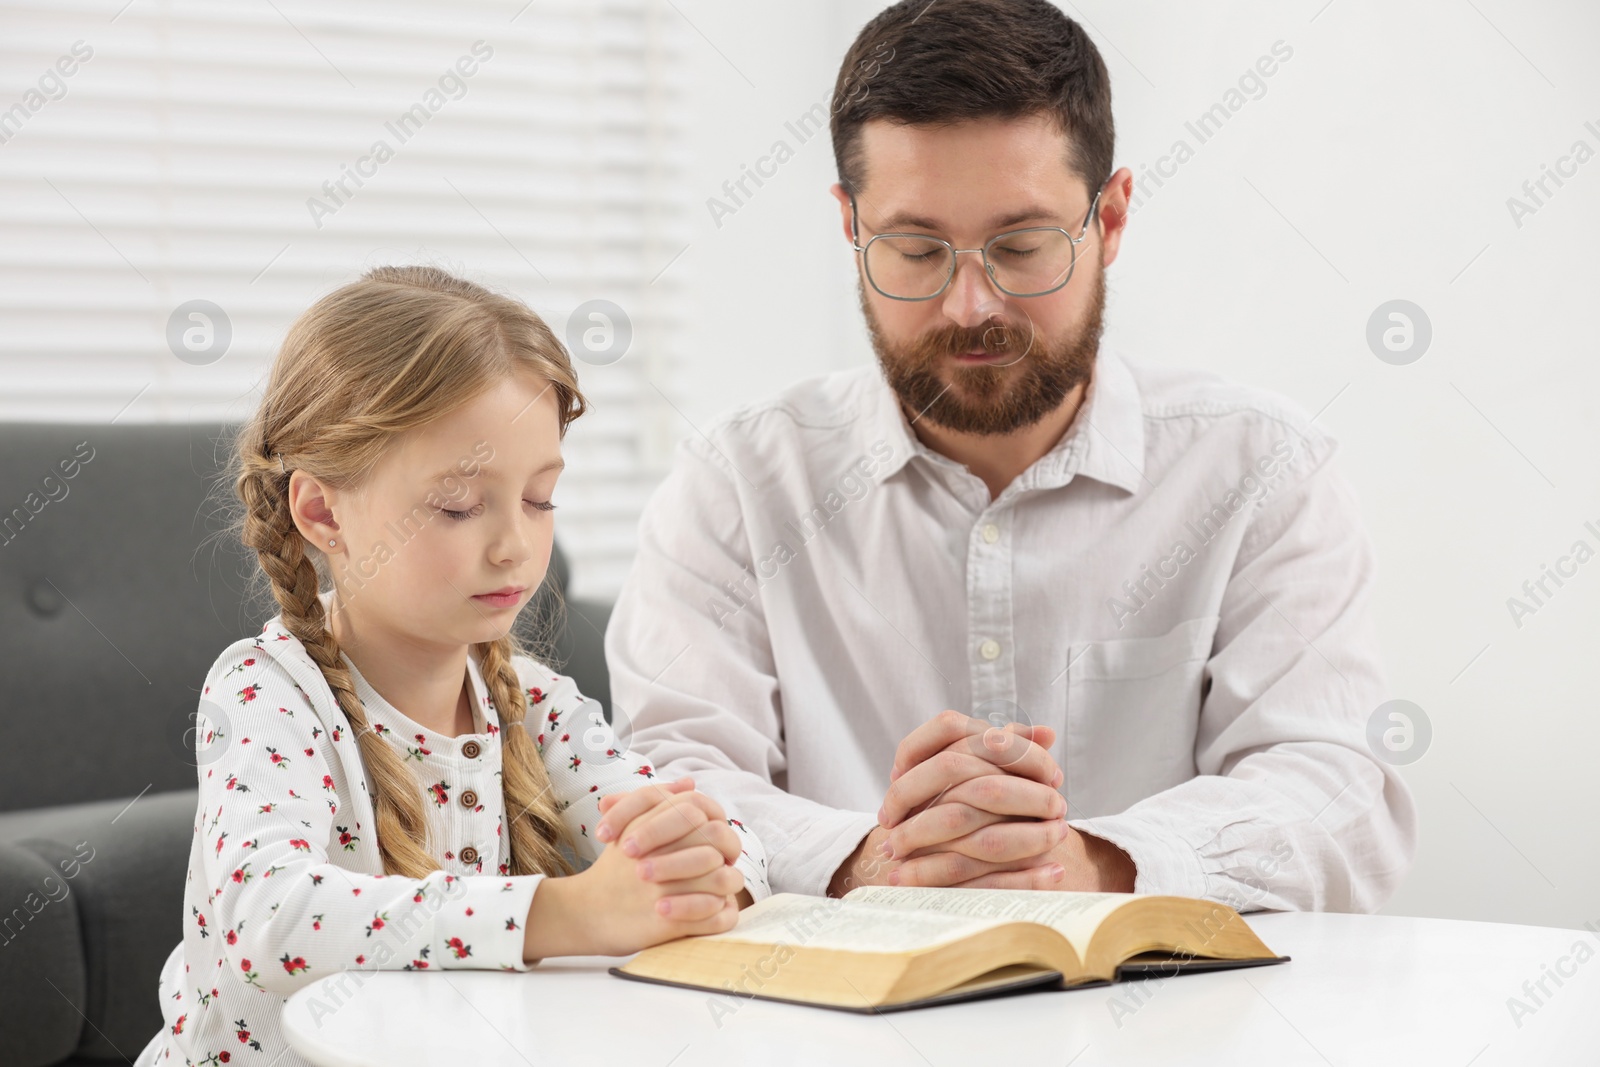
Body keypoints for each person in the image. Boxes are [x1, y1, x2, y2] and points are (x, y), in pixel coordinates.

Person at [604, 0, 1416, 912]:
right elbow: (665, 781)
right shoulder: (735, 483)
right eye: (914, 250)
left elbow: (1337, 789)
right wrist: (873, 860)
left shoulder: (1264, 468)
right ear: (850, 227)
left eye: (1021, 246)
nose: (969, 305)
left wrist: (1091, 862)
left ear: (1108, 219)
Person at [135, 265, 767, 1067]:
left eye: (540, 499)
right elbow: (269, 916)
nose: (515, 544)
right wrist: (567, 914)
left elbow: (733, 848)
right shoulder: (264, 693)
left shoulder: (535, 704)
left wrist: (704, 859)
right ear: (324, 511)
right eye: (459, 505)